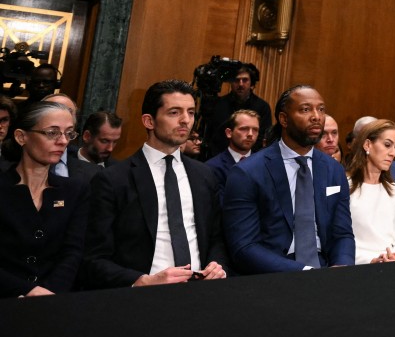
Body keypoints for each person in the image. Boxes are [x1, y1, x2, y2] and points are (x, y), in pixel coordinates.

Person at [84, 81, 228, 288]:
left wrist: (217, 264)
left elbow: (216, 237)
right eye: (174, 112)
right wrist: (141, 281)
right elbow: (93, 258)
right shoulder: (113, 180)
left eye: (190, 112)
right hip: (142, 297)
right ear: (149, 121)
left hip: (200, 292)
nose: (185, 120)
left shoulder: (204, 174)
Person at [222, 85, 354, 273]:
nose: (317, 116)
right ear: (284, 119)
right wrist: (304, 272)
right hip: (273, 274)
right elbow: (244, 247)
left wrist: (342, 267)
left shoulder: (333, 169)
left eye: (321, 109)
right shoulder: (247, 172)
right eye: (306, 109)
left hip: (325, 272)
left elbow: (342, 233)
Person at [0, 101, 90, 297]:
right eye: (52, 133)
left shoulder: (74, 190)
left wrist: (48, 295)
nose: (63, 141)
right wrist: (28, 291)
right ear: (21, 137)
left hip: (53, 305)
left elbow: (72, 253)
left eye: (69, 133)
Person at [346, 119, 395, 265]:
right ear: (367, 144)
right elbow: (340, 239)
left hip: (393, 266)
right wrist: (371, 260)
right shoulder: (345, 187)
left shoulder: (394, 190)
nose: (393, 153)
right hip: (356, 267)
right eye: (387, 145)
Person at [202, 63, 271, 158]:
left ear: (251, 83)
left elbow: (262, 138)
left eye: (245, 80)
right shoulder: (218, 104)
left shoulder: (262, 107)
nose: (240, 84)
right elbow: (212, 136)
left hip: (250, 160)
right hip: (220, 158)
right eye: (236, 80)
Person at [206, 109, 260, 195]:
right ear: (229, 133)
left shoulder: (264, 165)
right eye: (244, 129)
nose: (250, 134)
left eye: (255, 130)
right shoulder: (212, 167)